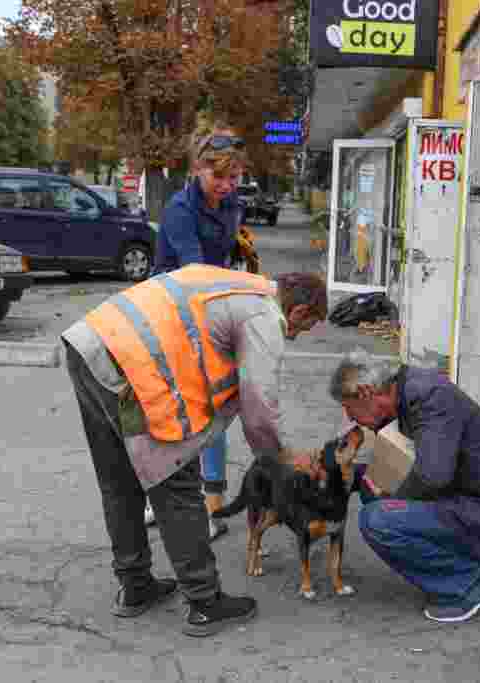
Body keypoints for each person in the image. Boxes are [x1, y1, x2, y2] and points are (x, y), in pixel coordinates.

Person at [62, 265, 327, 636]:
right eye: (304, 327)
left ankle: (135, 586)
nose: (296, 336)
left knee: (119, 481)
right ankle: (204, 602)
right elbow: (259, 407)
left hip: (90, 343)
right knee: (177, 484)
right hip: (133, 367)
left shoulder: (238, 284)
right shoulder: (264, 316)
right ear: (298, 310)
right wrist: (282, 464)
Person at [330, 351, 480, 624]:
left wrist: (391, 500)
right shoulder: (403, 392)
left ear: (366, 392)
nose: (350, 417)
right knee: (373, 492)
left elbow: (433, 477)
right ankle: (463, 569)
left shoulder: (429, 397)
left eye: (349, 408)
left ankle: (469, 583)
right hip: (470, 501)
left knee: (378, 519)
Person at [150, 117, 249, 540]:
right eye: (218, 176)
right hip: (171, 310)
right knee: (182, 413)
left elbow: (223, 259)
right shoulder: (179, 210)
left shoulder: (230, 204)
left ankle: (211, 503)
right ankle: (166, 500)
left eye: (234, 177)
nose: (226, 185)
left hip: (209, 308)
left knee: (213, 411)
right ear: (197, 169)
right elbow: (194, 274)